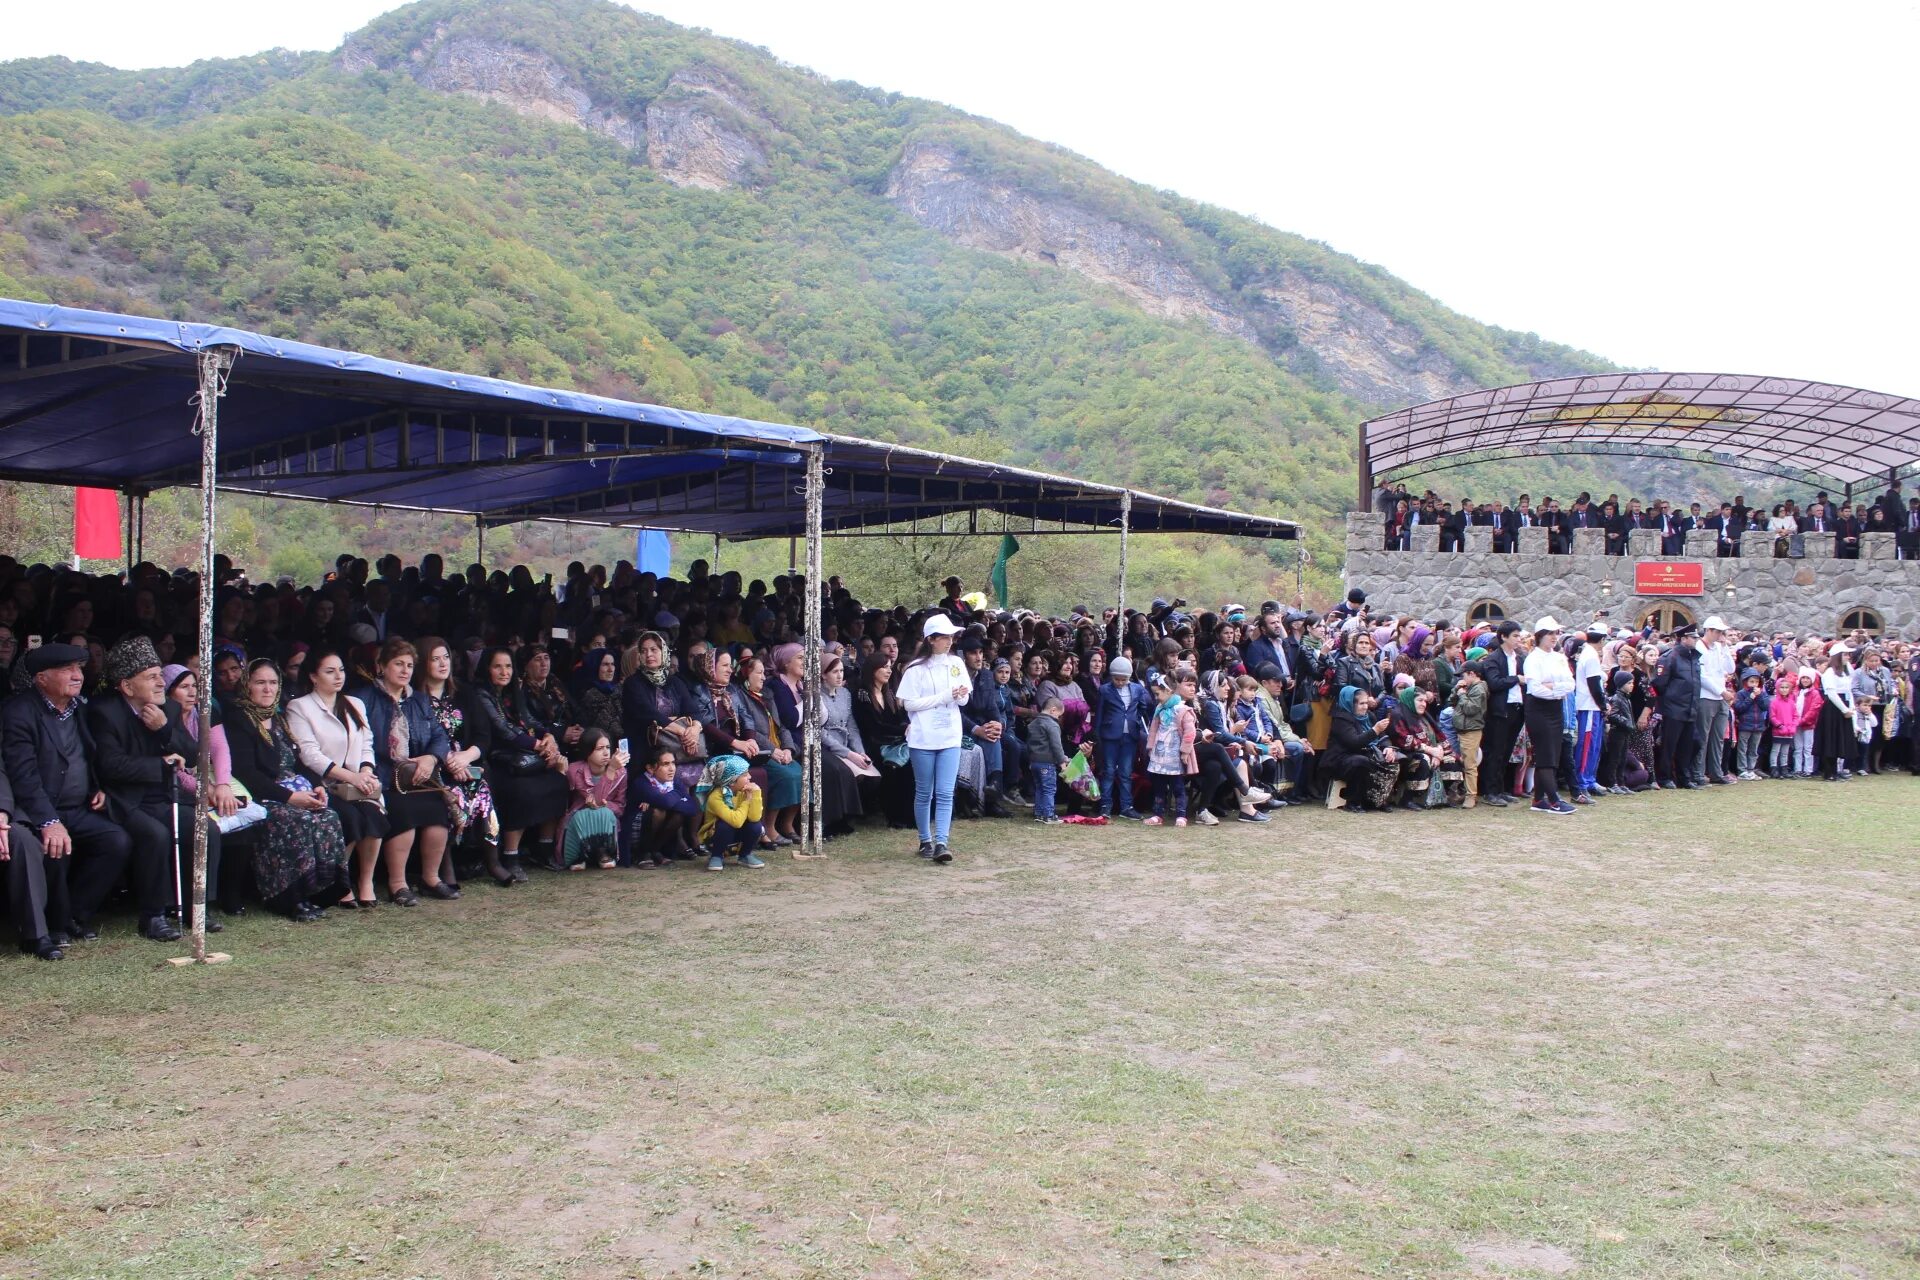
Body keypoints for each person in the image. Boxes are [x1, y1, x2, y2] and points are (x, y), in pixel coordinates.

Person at [88, 635, 227, 935]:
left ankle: (197, 908)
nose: (160, 682)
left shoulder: (170, 710)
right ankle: (153, 916)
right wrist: (161, 764)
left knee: (206, 829)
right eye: (150, 677)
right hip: (124, 798)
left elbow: (191, 753)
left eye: (158, 675)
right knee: (157, 835)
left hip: (164, 795)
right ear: (127, 686)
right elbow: (110, 765)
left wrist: (163, 728)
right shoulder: (105, 712)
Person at [221, 658, 352, 920]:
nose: (268, 689)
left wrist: (317, 787)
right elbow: (247, 773)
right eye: (260, 683)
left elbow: (299, 761)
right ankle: (289, 898)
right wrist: (290, 797)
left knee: (328, 817)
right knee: (297, 820)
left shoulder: (279, 718)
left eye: (273, 683)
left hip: (292, 791)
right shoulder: (239, 719)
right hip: (261, 796)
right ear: (247, 685)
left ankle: (319, 893)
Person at [286, 648, 390, 907]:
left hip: (356, 782)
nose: (338, 676)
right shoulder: (300, 707)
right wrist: (351, 777)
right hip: (321, 783)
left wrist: (365, 772)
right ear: (313, 676)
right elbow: (309, 754)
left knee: (374, 816)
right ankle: (339, 884)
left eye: (341, 670)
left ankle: (366, 881)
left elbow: (367, 743)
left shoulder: (355, 704)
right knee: (351, 818)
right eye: (329, 671)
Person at [357, 638, 456, 902]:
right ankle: (397, 884)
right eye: (398, 664)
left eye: (410, 665)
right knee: (404, 812)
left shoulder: (420, 700)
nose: (405, 671)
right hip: (383, 778)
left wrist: (431, 759)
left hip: (417, 777)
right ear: (381, 666)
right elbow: (360, 745)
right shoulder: (364, 699)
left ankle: (431, 878)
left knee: (436, 810)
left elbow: (439, 736)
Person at [471, 646, 569, 881]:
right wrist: (539, 745)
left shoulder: (514, 691)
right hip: (499, 758)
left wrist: (548, 735)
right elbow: (503, 730)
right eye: (498, 666)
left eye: (508, 666)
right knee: (522, 791)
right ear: (487, 668)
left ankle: (543, 849)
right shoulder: (480, 694)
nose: (504, 671)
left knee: (557, 782)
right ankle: (511, 855)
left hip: (526, 755)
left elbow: (529, 719)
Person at [895, 614, 968, 863]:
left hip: (950, 734)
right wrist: (945, 696)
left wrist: (957, 695)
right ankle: (925, 839)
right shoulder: (916, 669)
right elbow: (909, 704)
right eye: (944, 637)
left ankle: (942, 842)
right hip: (924, 737)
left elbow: (965, 697)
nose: (949, 641)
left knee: (946, 792)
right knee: (925, 791)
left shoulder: (956, 663)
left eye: (951, 636)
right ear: (931, 639)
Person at [1521, 617, 1577, 814]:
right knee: (1546, 754)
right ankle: (1553, 800)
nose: (1554, 637)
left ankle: (1538, 799)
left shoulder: (1559, 657)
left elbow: (1571, 684)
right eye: (1550, 633)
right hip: (1538, 709)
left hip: (1555, 708)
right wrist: (1556, 690)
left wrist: (1553, 687)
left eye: (1556, 633)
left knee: (1553, 752)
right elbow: (1535, 688)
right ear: (1540, 636)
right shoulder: (1533, 659)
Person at [817, 653, 870, 839]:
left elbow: (851, 725)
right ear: (823, 674)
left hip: (844, 743)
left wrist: (860, 752)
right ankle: (831, 821)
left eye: (841, 671)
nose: (840, 676)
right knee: (839, 770)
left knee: (868, 771)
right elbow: (819, 732)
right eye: (834, 672)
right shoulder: (816, 695)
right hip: (825, 746)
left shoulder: (845, 694)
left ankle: (846, 817)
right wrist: (848, 754)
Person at [561, 729, 627, 870]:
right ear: (587, 751)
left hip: (607, 818)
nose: (605, 753)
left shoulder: (621, 772)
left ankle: (603, 852)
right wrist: (610, 770)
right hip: (579, 816)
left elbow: (620, 807)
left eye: (608, 748)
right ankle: (578, 854)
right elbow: (595, 800)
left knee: (605, 812)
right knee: (584, 814)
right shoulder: (575, 770)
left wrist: (606, 805)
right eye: (599, 749)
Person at [1476, 622, 1525, 806]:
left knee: (1507, 752)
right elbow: (1495, 683)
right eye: (1515, 636)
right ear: (1503, 637)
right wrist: (1515, 679)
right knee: (1495, 751)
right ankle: (1490, 791)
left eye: (1519, 636)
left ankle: (1501, 788)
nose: (1518, 640)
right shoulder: (1493, 659)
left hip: (1516, 708)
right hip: (1499, 711)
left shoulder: (1518, 659)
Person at [1093, 656, 1147, 820]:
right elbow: (1100, 712)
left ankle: (1126, 806)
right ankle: (1105, 805)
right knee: (1108, 771)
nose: (1120, 682)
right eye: (1117, 679)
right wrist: (1097, 734)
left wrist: (1137, 720)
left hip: (1129, 735)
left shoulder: (1137, 689)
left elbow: (1143, 707)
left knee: (1126, 772)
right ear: (1111, 676)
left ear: (1129, 677)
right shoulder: (1105, 690)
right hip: (1109, 734)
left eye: (1124, 679)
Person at [694, 754, 766, 872]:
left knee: (756, 826)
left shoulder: (744, 791)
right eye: (744, 774)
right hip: (716, 838)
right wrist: (747, 801)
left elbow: (754, 817)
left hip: (737, 838)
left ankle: (745, 855)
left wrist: (756, 794)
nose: (750, 776)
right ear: (731, 781)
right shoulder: (715, 797)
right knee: (725, 825)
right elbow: (736, 822)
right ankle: (716, 855)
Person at [631, 745, 701, 865]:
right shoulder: (642, 782)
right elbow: (665, 802)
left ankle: (655, 851)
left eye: (673, 763)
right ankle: (643, 853)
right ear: (650, 768)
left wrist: (666, 798)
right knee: (658, 812)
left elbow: (692, 808)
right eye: (665, 764)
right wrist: (678, 796)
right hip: (637, 832)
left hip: (659, 834)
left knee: (678, 814)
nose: (672, 768)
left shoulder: (675, 782)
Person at [1651, 627, 1702, 788]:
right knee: (1669, 745)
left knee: (1689, 744)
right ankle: (1665, 777)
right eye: (1692, 637)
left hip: (1690, 708)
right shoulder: (1670, 657)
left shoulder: (1693, 657)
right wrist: (1671, 700)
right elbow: (1660, 683)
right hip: (1674, 708)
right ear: (1683, 638)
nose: (1695, 640)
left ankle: (1683, 777)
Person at [1143, 672, 1196, 826]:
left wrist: (1185, 751)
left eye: (1157, 694)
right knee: (1159, 786)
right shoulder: (1159, 709)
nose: (1156, 697)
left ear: (1168, 691)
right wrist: (1150, 746)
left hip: (1174, 756)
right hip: (1159, 755)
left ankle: (1181, 814)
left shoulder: (1182, 710)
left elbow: (1190, 732)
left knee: (1178, 786)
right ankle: (1158, 814)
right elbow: (1153, 729)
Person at [1692, 616, 1737, 787]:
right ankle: (1698, 773)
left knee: (1718, 737)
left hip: (1720, 696)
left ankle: (1716, 772)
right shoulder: (1699, 647)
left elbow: (1730, 668)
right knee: (1703, 736)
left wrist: (1725, 647)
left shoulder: (1719, 647)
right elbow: (1702, 676)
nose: (1720, 635)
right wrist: (1721, 691)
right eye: (1717, 631)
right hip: (1707, 696)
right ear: (1708, 630)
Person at [1814, 650, 1857, 781]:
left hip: (1844, 704)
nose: (1847, 657)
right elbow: (1831, 693)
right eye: (1844, 655)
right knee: (1831, 739)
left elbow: (1849, 690)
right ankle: (1829, 772)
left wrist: (1851, 707)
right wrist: (1844, 709)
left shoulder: (1845, 671)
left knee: (1840, 739)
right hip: (1833, 708)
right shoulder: (1829, 672)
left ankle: (1837, 770)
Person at [1449, 663, 1487, 808]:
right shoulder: (1468, 687)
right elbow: (1451, 702)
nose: (1461, 678)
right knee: (1465, 762)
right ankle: (1466, 793)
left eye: (1463, 675)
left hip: (1471, 730)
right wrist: (1456, 689)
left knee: (1470, 764)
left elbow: (1471, 709)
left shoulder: (1479, 689)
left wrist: (1462, 695)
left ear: (1472, 674)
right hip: (1463, 729)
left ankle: (1471, 796)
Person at [1027, 696, 1067, 824]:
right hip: (1047, 763)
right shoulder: (1052, 725)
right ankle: (1049, 815)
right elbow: (1056, 745)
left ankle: (1039, 813)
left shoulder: (1032, 724)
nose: (1059, 718)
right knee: (1049, 788)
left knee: (1039, 787)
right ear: (1053, 710)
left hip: (1034, 762)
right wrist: (1062, 762)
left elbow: (1028, 743)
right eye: (1059, 716)